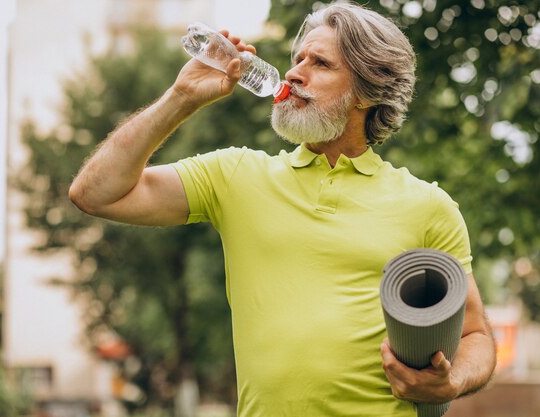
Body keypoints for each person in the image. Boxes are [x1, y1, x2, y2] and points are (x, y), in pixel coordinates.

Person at [69, 2, 496, 416]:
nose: (294, 73)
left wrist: (452, 381)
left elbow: (477, 335)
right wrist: (181, 97)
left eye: (320, 63)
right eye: (297, 59)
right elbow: (95, 193)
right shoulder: (234, 175)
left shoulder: (428, 206)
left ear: (367, 92)